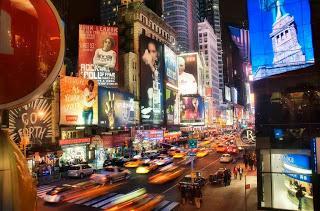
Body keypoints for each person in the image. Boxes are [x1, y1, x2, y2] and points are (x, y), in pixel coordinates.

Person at [140, 40, 161, 121]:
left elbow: (157, 76)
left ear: (157, 54)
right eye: (149, 51)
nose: (150, 54)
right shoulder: (143, 67)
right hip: (145, 111)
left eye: (153, 51)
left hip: (156, 111)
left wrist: (150, 65)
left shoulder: (157, 67)